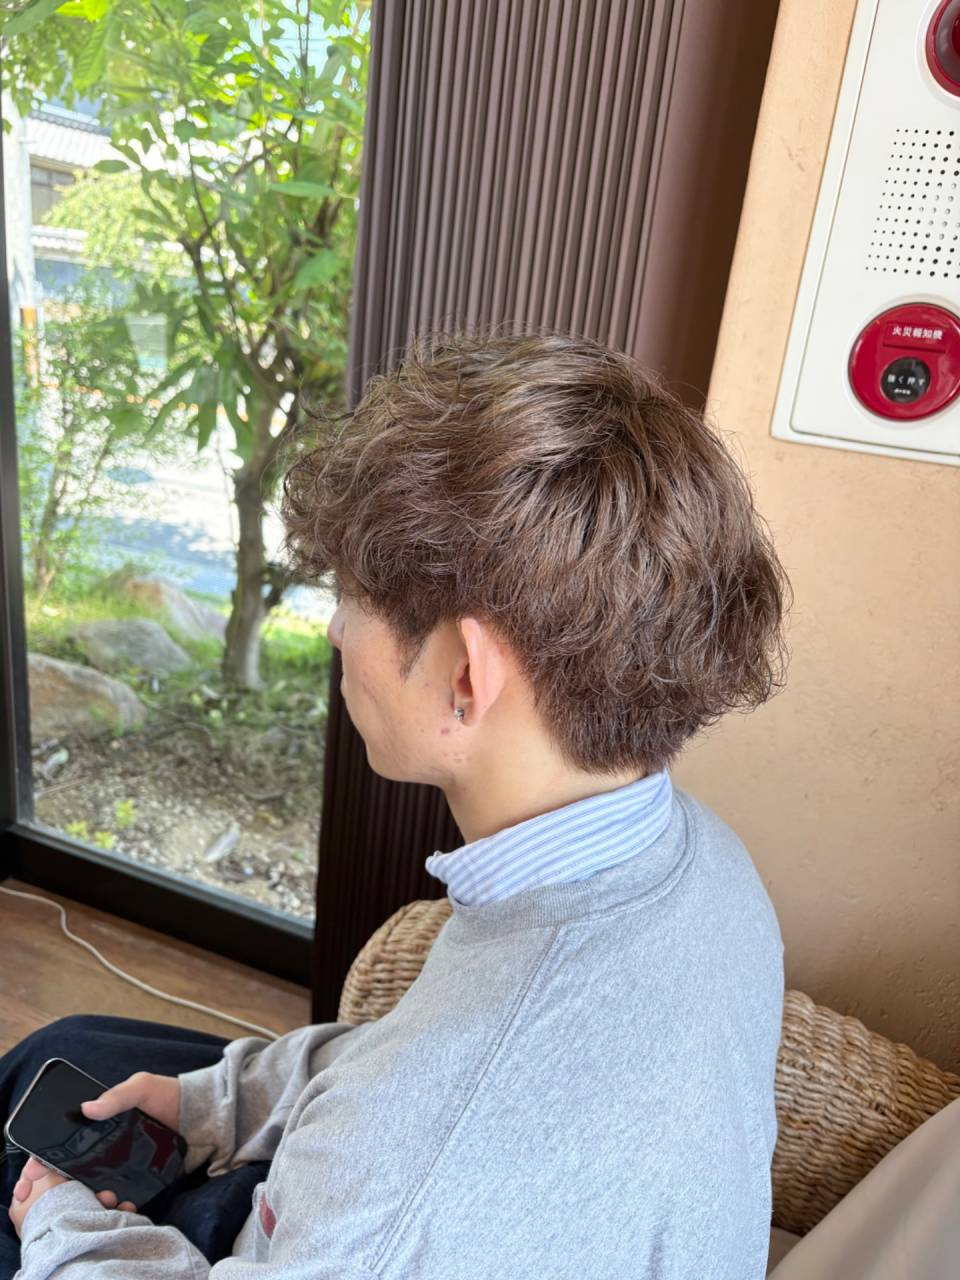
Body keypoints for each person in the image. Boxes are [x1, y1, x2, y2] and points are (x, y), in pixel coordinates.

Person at [2, 326, 790, 1279]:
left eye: (350, 595)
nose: (337, 629)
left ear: (464, 674)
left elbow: (420, 1127)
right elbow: (408, 1053)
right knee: (68, 1052)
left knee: (27, 1163)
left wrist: (63, 1225)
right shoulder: (699, 860)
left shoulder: (410, 1164)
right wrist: (213, 1105)